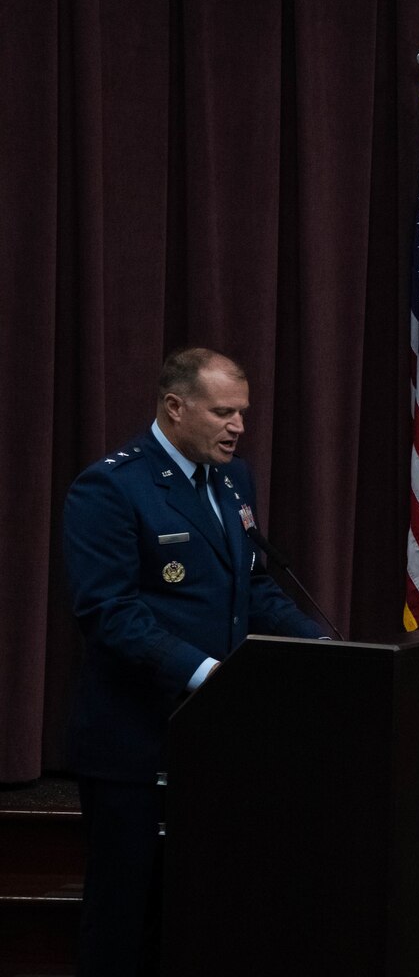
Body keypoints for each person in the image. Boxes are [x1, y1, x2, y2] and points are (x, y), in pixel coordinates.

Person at [64, 347, 326, 975]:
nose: (238, 425)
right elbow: (110, 612)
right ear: (175, 406)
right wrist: (209, 673)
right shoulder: (111, 486)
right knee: (125, 916)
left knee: (203, 907)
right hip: (135, 741)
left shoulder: (235, 480)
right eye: (223, 412)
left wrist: (321, 647)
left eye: (242, 412)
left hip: (215, 738)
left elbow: (254, 588)